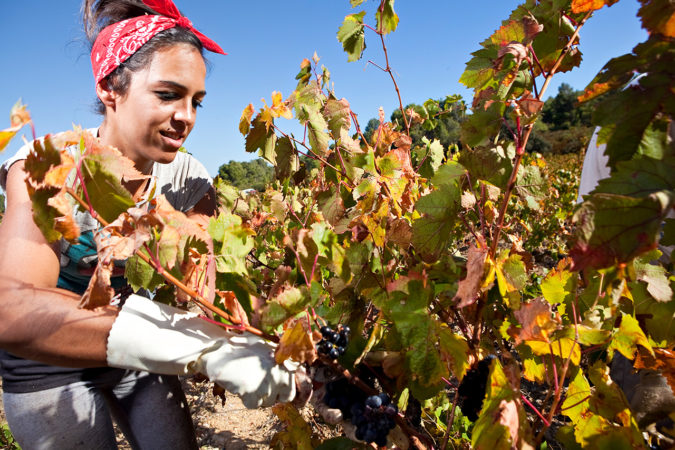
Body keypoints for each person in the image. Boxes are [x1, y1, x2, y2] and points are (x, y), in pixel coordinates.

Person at [0, 1, 300, 448]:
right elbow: (11, 310)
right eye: (167, 94)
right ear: (109, 88)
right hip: (45, 360)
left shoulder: (189, 180)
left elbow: (202, 288)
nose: (187, 117)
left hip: (137, 353)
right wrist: (199, 349)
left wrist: (294, 344)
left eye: (196, 101)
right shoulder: (48, 167)